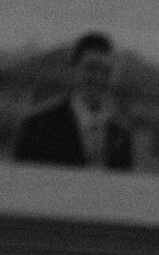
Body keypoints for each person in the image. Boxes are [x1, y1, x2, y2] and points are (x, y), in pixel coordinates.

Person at [12, 31, 135, 168]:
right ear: (74, 69)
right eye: (91, 68)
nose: (99, 77)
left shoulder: (120, 134)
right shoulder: (38, 126)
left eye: (106, 71)